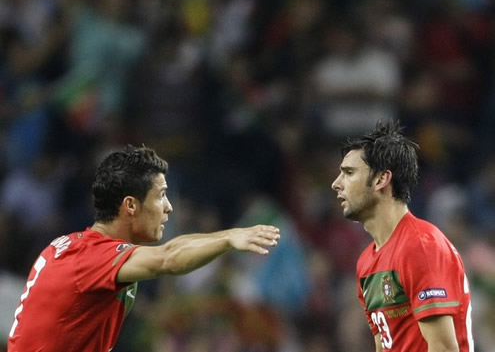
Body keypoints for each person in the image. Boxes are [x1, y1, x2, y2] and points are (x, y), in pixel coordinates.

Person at [7, 145, 280, 352]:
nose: (168, 207)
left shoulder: (72, 247)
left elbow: (170, 249)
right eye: (161, 195)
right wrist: (229, 238)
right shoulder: (91, 258)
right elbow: (168, 259)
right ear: (130, 206)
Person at [331, 121, 474, 352]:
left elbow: (444, 348)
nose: (336, 184)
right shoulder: (366, 263)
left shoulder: (421, 245)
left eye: (349, 173)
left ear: (381, 179)